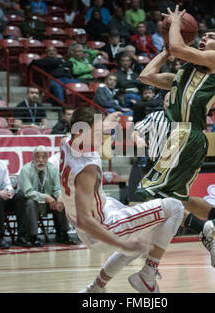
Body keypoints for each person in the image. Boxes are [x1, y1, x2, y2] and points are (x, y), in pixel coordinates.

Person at [137, 6, 215, 268]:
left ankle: (206, 230)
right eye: (202, 36)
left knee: (153, 193)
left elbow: (180, 49)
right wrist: (166, 51)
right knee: (180, 199)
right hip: (186, 136)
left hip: (185, 132)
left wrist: (176, 24)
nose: (204, 39)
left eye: (210, 37)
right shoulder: (182, 75)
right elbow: (145, 75)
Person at [60, 107, 184, 293]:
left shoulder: (67, 143)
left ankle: (96, 288)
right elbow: (85, 220)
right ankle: (147, 275)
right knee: (175, 207)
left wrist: (104, 122)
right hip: (102, 226)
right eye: (99, 133)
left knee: (142, 240)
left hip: (100, 211)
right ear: (80, 132)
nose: (104, 137)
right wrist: (121, 243)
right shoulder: (86, 168)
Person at [18, 145, 77, 246]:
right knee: (31, 203)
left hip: (50, 203)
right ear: (33, 158)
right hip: (33, 202)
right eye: (38, 157)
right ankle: (33, 236)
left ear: (47, 158)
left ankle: (63, 234)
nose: (41, 160)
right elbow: (28, 192)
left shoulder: (53, 169)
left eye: (44, 157)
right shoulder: (26, 170)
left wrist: (59, 196)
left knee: (62, 201)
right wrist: (46, 197)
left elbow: (58, 188)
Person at [0, 135, 28, 248]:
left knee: (20, 196)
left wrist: (9, 191)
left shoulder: (2, 164)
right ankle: (0, 237)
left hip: (2, 197)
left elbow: (7, 183)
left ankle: (22, 236)